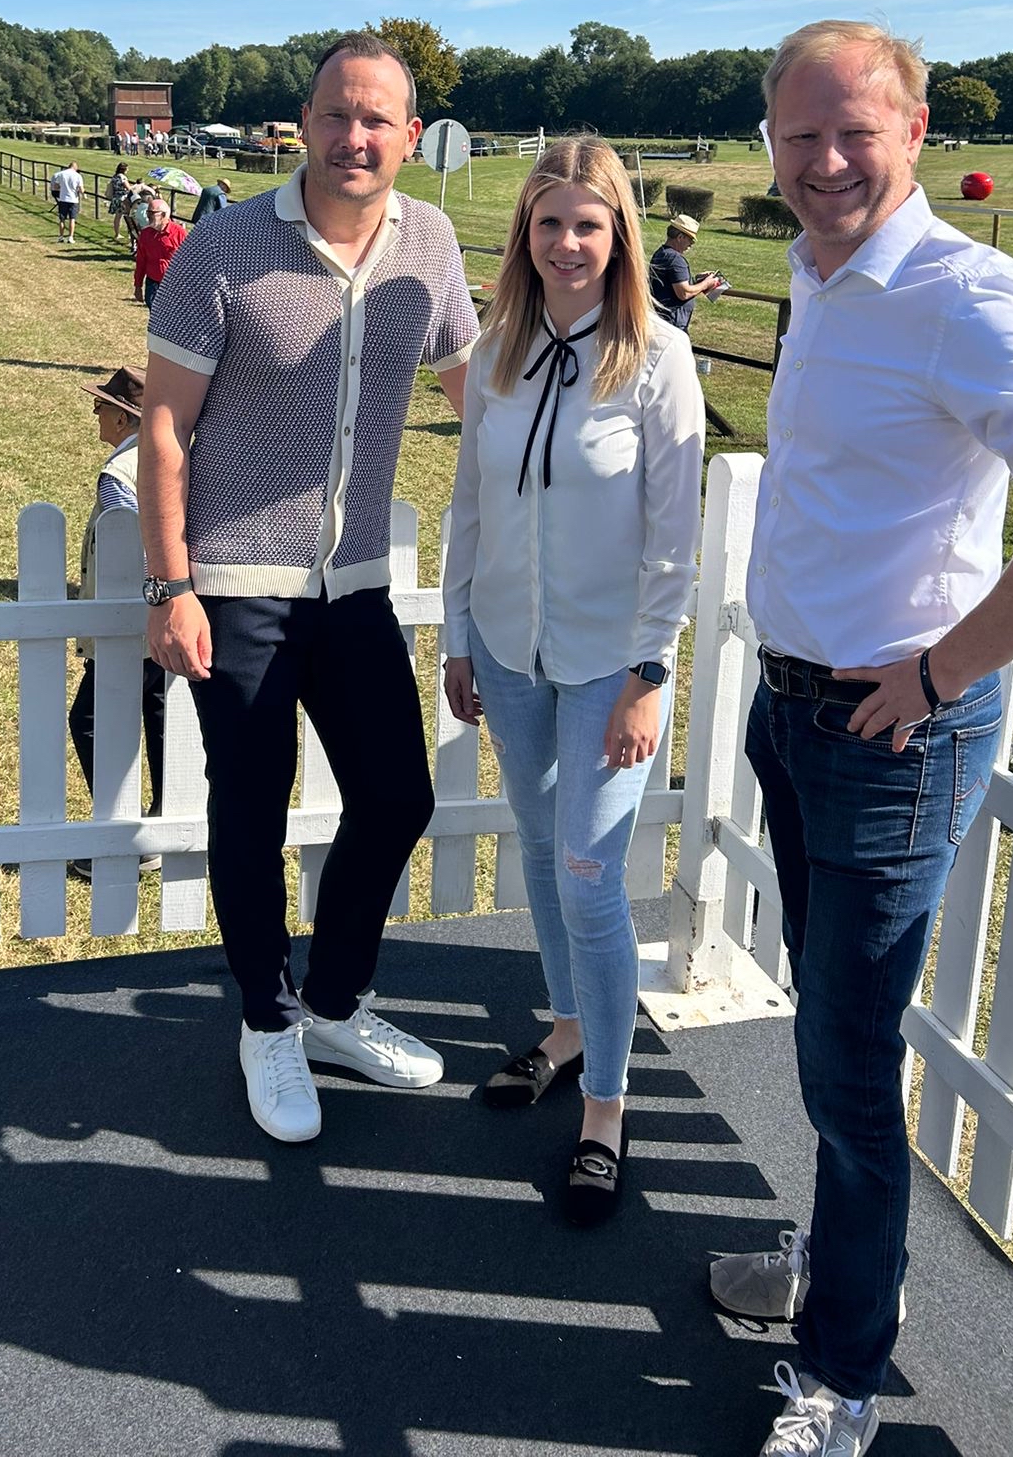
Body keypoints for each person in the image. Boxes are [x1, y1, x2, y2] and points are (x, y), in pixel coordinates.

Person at [708, 21, 1013, 1457]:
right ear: (769, 143)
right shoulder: (820, 269)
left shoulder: (963, 295)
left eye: (857, 132)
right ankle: (841, 1258)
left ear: (915, 136)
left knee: (848, 1051)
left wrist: (946, 668)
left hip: (887, 730)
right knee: (829, 1026)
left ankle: (842, 1375)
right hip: (800, 709)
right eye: (801, 136)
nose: (827, 161)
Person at [139, 31, 478, 1144]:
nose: (355, 136)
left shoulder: (429, 241)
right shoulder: (226, 246)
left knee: (397, 795)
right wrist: (171, 584)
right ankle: (267, 1019)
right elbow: (162, 425)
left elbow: (479, 389)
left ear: (409, 136)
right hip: (236, 583)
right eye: (337, 113)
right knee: (253, 807)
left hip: (356, 582)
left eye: (378, 118)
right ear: (305, 120)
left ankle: (333, 1001)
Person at [442, 139, 703, 1224]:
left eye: (587, 225)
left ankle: (607, 1099)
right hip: (508, 647)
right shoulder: (495, 346)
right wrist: (459, 632)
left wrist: (650, 671)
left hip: (611, 660)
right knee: (543, 842)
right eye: (549, 224)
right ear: (525, 234)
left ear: (619, 235)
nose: (567, 244)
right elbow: (468, 504)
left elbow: (675, 539)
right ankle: (566, 1019)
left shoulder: (655, 359)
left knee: (593, 867)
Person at [68, 365, 166, 880]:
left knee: (89, 721)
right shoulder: (164, 456)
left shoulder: (118, 475)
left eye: (102, 405)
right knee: (159, 714)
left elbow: (122, 546)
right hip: (159, 616)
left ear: (125, 416)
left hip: (127, 621)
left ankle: (123, 830)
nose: (96, 412)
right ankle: (164, 818)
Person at [648, 213, 722, 329]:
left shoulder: (660, 253)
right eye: (690, 240)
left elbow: (671, 283)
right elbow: (684, 293)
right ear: (680, 237)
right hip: (673, 324)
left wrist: (695, 280)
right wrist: (706, 284)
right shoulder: (676, 260)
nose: (691, 244)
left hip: (660, 320)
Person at [132, 196, 185, 306]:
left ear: (164, 215)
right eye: (148, 213)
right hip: (153, 284)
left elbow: (190, 262)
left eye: (152, 213)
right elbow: (141, 261)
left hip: (175, 285)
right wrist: (138, 286)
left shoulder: (179, 234)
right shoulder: (145, 234)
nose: (148, 216)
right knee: (155, 319)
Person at [52, 159, 84, 243]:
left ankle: (61, 236)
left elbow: (55, 187)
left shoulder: (61, 174)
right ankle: (70, 237)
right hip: (73, 199)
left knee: (62, 219)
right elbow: (81, 190)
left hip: (63, 199)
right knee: (72, 219)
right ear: (75, 167)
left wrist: (62, 188)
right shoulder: (78, 176)